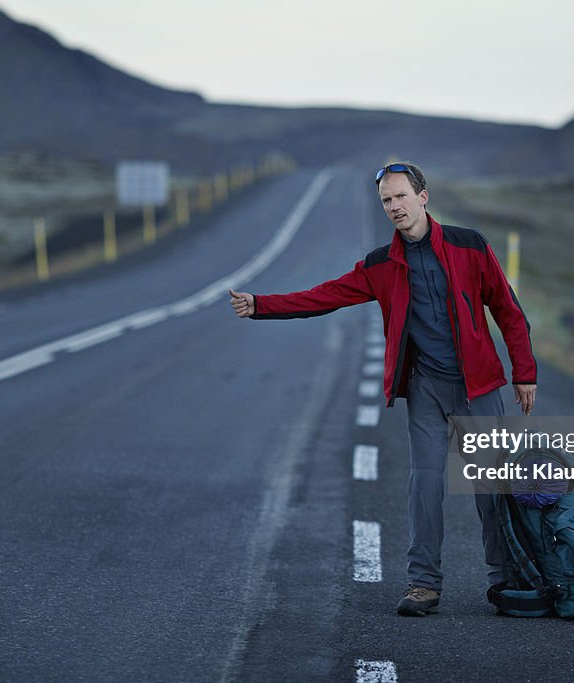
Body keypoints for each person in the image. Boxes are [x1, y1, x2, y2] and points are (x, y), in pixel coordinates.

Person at [229, 162, 537, 616]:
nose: (394, 207)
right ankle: (423, 585)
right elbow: (325, 296)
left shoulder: (468, 245)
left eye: (400, 197)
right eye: (386, 201)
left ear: (423, 196)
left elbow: (507, 309)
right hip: (426, 388)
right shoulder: (381, 264)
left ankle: (505, 580)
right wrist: (261, 306)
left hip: (479, 387)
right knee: (424, 487)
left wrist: (524, 371)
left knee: (491, 489)